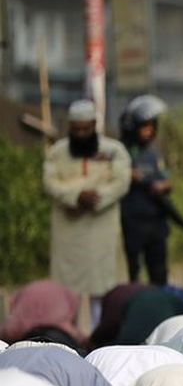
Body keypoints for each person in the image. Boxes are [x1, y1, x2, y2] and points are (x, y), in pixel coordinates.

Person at [43, 99, 132, 325]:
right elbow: (50, 183)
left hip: (100, 230)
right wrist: (76, 196)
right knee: (66, 294)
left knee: (101, 291)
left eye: (86, 128)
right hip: (68, 232)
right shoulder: (57, 152)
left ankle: (97, 342)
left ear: (94, 124)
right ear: (70, 127)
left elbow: (121, 182)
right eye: (76, 129)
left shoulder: (114, 150)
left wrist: (97, 196)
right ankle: (67, 339)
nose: (81, 134)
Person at [118, 95, 171, 285]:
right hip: (132, 221)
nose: (148, 131)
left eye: (151, 126)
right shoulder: (121, 153)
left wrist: (160, 186)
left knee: (159, 272)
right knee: (134, 273)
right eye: (144, 126)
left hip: (156, 221)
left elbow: (166, 180)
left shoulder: (153, 154)